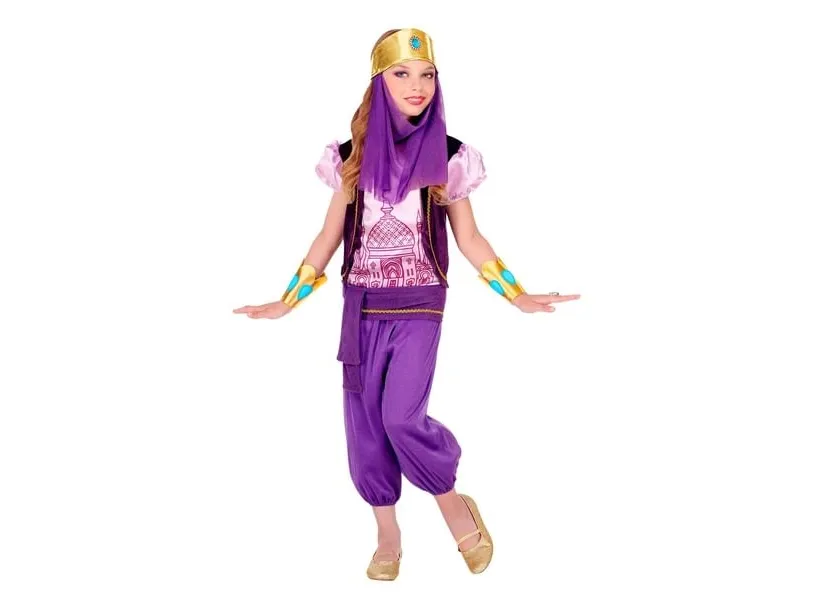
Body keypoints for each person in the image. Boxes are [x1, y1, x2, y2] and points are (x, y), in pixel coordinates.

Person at [234, 27, 580, 580]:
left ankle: (452, 504)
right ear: (379, 82)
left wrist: (516, 294)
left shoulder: (448, 156)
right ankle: (387, 533)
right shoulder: (349, 158)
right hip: (362, 305)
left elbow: (469, 238)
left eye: (426, 75)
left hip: (420, 304)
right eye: (401, 74)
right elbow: (329, 236)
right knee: (366, 424)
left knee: (400, 417)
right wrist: (286, 301)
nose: (416, 85)